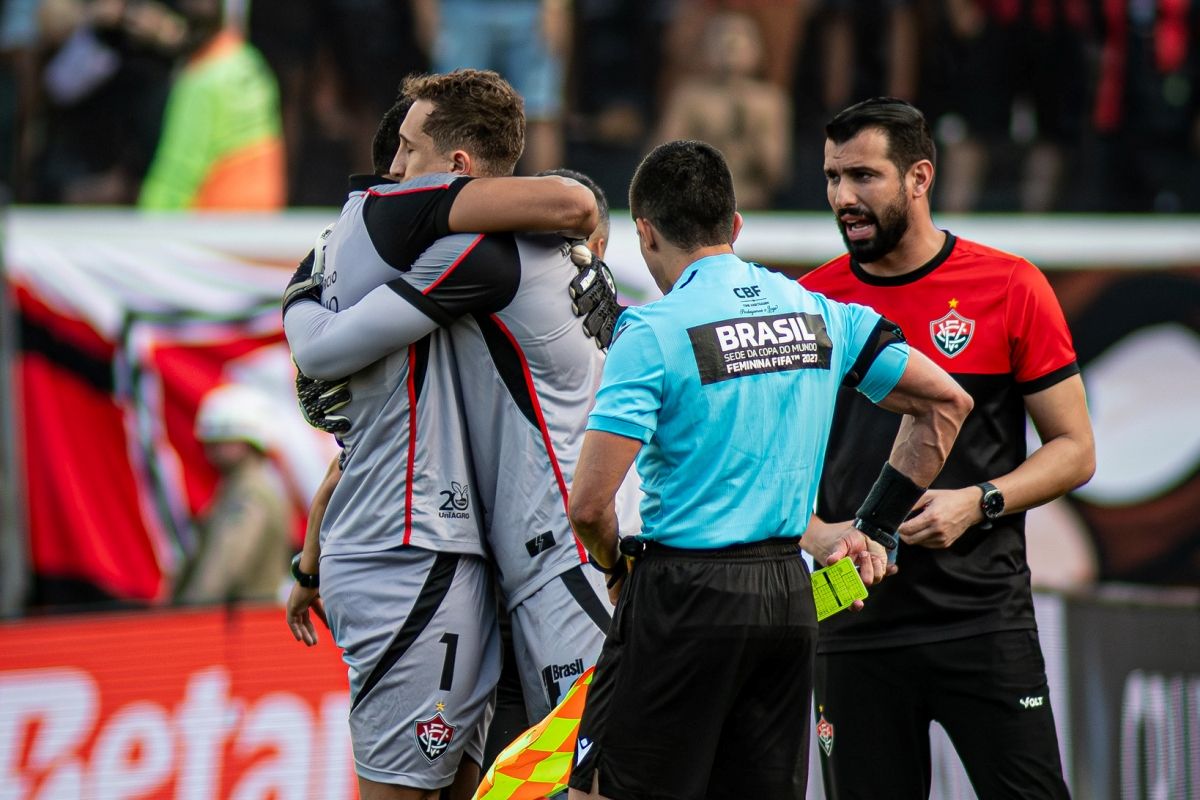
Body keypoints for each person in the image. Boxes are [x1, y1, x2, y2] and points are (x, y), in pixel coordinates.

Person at [565, 139, 973, 800]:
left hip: (683, 594)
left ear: (645, 232)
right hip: (787, 595)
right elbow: (946, 402)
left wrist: (616, 571)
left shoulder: (651, 331)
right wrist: (875, 526)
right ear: (735, 225)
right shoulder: (818, 310)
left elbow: (588, 505)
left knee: (604, 790)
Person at [282, 69, 606, 800]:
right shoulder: (530, 254)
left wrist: (301, 303)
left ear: (454, 168)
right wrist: (308, 564)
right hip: (509, 559)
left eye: (408, 149)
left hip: (565, 554)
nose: (393, 172)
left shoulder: (469, 252)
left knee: (590, 780)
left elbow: (324, 355)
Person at [799, 97, 1096, 799]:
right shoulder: (810, 302)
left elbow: (1075, 450)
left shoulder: (1010, 286)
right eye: (833, 177)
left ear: (919, 178)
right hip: (851, 617)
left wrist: (979, 501)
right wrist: (816, 535)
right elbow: (774, 469)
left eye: (863, 176)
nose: (843, 197)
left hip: (982, 617)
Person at [138, 0, 285, 209]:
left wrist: (149, 222)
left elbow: (178, 175)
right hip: (261, 220)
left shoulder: (202, 82)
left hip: (212, 221)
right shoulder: (251, 63)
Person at [175, 383, 291, 604]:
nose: (210, 450)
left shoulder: (250, 492)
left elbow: (223, 567)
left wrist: (188, 614)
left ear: (247, 441)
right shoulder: (239, 487)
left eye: (221, 441)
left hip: (243, 619)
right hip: (239, 617)